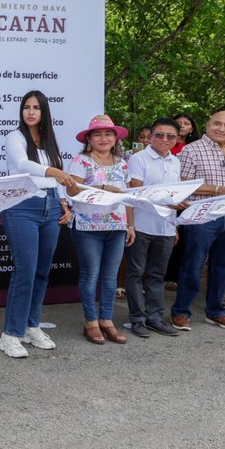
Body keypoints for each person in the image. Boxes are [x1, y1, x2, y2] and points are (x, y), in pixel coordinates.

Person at [0, 90, 84, 358]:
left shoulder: (50, 142)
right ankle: (10, 334)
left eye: (36, 107)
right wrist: (54, 171)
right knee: (25, 272)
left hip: (50, 206)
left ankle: (31, 327)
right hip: (22, 207)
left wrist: (63, 204)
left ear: (44, 111)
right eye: (27, 107)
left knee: (42, 272)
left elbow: (57, 183)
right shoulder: (15, 137)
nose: (31, 112)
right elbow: (23, 164)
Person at [172, 112, 225, 330]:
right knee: (193, 264)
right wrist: (218, 190)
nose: (221, 128)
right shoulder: (192, 150)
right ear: (208, 125)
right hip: (201, 215)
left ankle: (216, 311)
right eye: (217, 123)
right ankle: (181, 311)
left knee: (224, 266)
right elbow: (183, 185)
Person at [68, 115, 134, 344]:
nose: (103, 138)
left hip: (117, 226)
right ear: (89, 139)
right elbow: (72, 190)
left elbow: (128, 196)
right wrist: (103, 187)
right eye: (97, 134)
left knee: (110, 277)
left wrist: (130, 225)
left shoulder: (122, 163)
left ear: (115, 138)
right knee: (90, 275)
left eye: (108, 134)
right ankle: (91, 322)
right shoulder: (81, 161)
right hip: (87, 226)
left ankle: (106, 320)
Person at [125, 118, 182, 337]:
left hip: (166, 227)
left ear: (176, 139)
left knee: (157, 275)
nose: (164, 139)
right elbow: (136, 193)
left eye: (170, 136)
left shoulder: (175, 162)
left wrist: (174, 226)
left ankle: (155, 318)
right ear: (150, 136)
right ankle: (137, 319)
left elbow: (176, 194)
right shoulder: (138, 159)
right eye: (159, 135)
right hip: (142, 225)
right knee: (136, 274)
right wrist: (167, 201)